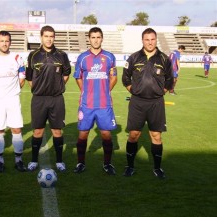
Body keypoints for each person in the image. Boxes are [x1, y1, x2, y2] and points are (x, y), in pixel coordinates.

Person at [122, 28, 174, 179]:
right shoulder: (133, 58)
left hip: (156, 103)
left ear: (156, 40)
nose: (150, 42)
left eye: (152, 39)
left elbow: (170, 79)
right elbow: (125, 78)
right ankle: (130, 166)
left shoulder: (164, 59)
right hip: (137, 102)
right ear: (142, 40)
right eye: (147, 39)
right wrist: (134, 90)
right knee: (133, 135)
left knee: (156, 136)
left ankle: (157, 168)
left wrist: (160, 91)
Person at [25, 25, 71, 172]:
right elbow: (29, 78)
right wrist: (39, 88)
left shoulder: (62, 55)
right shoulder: (33, 55)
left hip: (56, 99)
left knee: (57, 131)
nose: (49, 39)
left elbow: (66, 74)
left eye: (51, 36)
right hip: (39, 99)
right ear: (41, 37)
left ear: (54, 37)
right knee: (37, 131)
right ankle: (33, 160)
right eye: (46, 36)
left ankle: (59, 161)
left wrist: (56, 86)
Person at [73, 27, 118, 175]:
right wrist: (85, 91)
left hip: (104, 104)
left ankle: (107, 164)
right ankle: (80, 163)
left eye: (98, 37)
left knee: (106, 134)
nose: (96, 40)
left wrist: (106, 90)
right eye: (93, 37)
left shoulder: (110, 57)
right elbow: (78, 77)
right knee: (83, 134)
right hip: (87, 104)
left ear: (102, 38)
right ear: (89, 39)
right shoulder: (82, 58)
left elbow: (114, 77)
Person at [0, 30, 27, 173]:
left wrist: (12, 91)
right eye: (2, 41)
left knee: (16, 129)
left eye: (7, 41)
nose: (4, 43)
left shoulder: (17, 58)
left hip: (13, 99)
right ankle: (0, 162)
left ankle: (18, 161)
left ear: (10, 42)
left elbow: (22, 78)